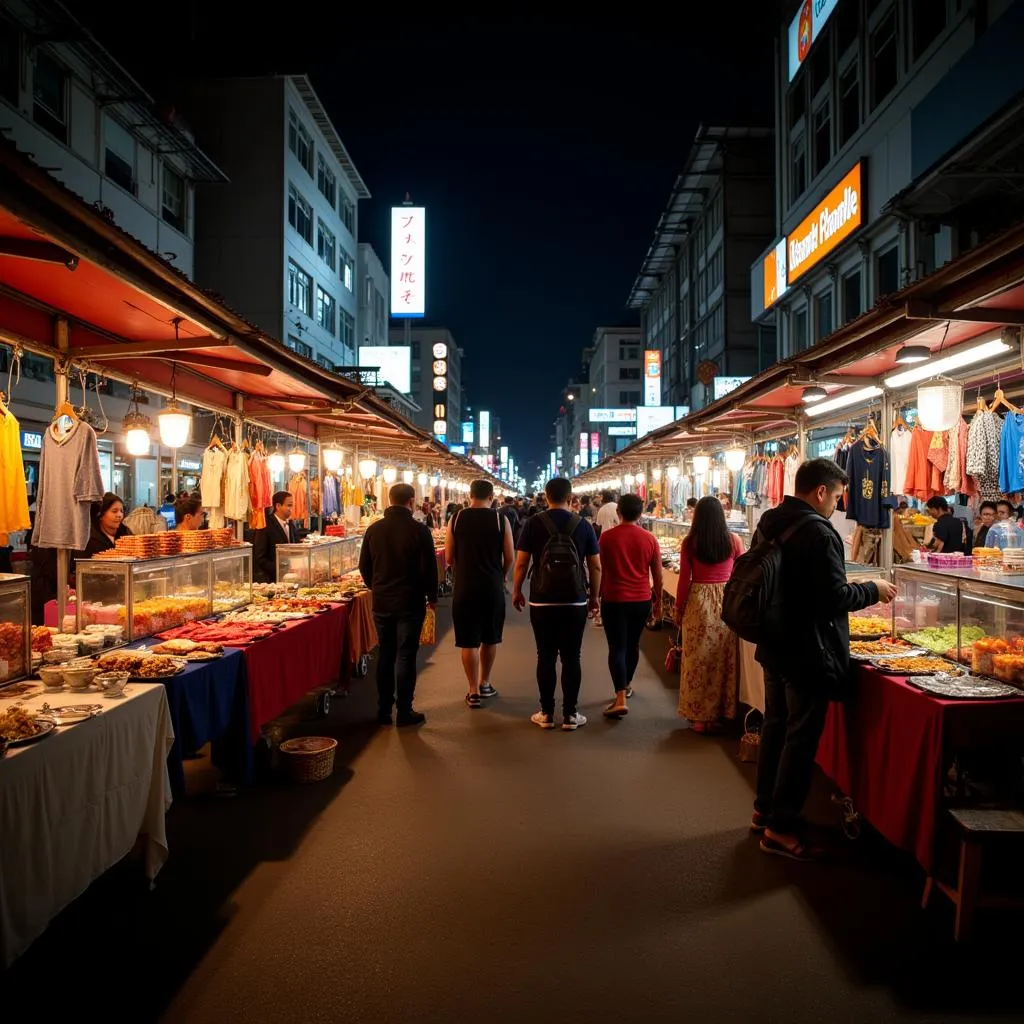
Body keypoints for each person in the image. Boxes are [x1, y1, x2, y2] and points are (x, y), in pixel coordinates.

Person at [753, 458, 897, 862]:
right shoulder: (820, 532)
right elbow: (834, 597)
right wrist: (872, 588)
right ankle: (779, 829)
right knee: (799, 738)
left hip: (774, 644)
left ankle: (763, 809)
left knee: (775, 728)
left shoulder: (770, 519)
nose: (836, 503)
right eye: (836, 495)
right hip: (807, 650)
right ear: (820, 492)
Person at [512, 477, 601, 731]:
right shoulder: (583, 525)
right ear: (571, 497)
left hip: (542, 600)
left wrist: (517, 590)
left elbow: (521, 563)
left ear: (546, 496)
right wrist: (594, 596)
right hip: (575, 600)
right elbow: (595, 566)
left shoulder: (532, 524)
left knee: (546, 655)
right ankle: (571, 715)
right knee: (572, 657)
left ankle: (547, 713)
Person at [359, 482, 438, 726]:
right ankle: (404, 711)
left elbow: (364, 566)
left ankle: (383, 711)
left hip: (382, 602)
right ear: (411, 501)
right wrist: (432, 597)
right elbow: (429, 569)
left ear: (390, 500)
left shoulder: (374, 530)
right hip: (410, 601)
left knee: (385, 654)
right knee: (406, 655)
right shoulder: (419, 530)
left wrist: (377, 587)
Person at [674, 496, 744, 733]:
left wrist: (678, 609)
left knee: (697, 660)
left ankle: (699, 717)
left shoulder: (690, 543)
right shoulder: (733, 541)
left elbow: (684, 580)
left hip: (698, 602)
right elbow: (742, 573)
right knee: (722, 660)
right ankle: (721, 713)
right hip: (726, 602)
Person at [446, 480, 515, 708]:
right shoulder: (499, 519)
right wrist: (502, 574)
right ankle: (485, 683)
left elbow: (448, 557)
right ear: (492, 496)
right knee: (490, 637)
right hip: (492, 587)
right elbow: (510, 557)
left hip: (465, 587)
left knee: (469, 641)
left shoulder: (456, 519)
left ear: (470, 494)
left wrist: (462, 569)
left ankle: (473, 690)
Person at [598, 493, 662, 718]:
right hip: (640, 600)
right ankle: (627, 684)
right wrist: (659, 602)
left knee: (617, 647)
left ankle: (620, 696)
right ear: (641, 513)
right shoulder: (649, 539)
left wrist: (595, 597)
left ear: (618, 512)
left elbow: (600, 570)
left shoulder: (606, 538)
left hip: (613, 599)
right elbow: (657, 573)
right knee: (633, 644)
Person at [253, 491, 296, 583]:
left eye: (292, 505)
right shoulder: (265, 526)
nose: (291, 509)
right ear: (278, 506)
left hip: (289, 578)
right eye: (288, 505)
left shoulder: (291, 524)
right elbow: (260, 557)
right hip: (271, 580)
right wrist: (279, 568)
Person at [80, 492, 132, 557]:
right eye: (114, 511)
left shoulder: (127, 534)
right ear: (101, 515)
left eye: (121, 511)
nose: (119, 515)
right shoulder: (89, 540)